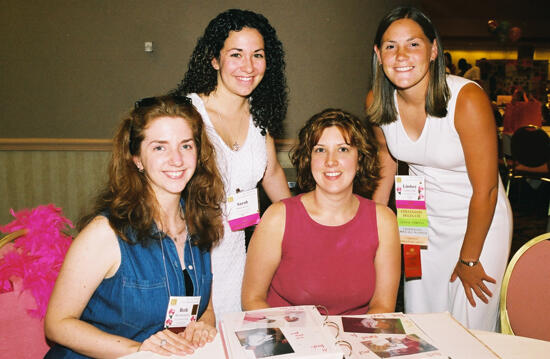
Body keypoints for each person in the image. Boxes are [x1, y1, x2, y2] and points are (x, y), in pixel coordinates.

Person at [366, 6, 512, 331]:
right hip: (419, 221)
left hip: (478, 222)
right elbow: (386, 164)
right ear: (378, 53)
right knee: (422, 320)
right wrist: (370, 226)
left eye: (413, 44)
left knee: (470, 327)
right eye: (390, 46)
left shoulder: (466, 99)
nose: (401, 55)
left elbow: (486, 190)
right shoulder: (377, 99)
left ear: (433, 50)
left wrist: (469, 259)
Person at [44, 95, 224, 358]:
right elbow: (57, 325)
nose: (177, 159)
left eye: (186, 146)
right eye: (159, 148)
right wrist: (137, 350)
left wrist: (203, 325)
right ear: (137, 158)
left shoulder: (198, 221)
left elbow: (203, 304)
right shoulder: (105, 233)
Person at [173, 9, 291, 319]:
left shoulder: (259, 118)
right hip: (189, 256)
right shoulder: (186, 114)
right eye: (236, 54)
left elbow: (273, 174)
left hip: (237, 257)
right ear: (214, 59)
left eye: (258, 55)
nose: (248, 67)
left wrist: (308, 228)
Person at [242, 109, 401, 315]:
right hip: (287, 337)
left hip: (354, 339)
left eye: (343, 149)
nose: (331, 161)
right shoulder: (278, 218)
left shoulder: (384, 221)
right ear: (308, 159)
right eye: (320, 150)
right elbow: (251, 299)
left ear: (360, 159)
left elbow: (382, 306)